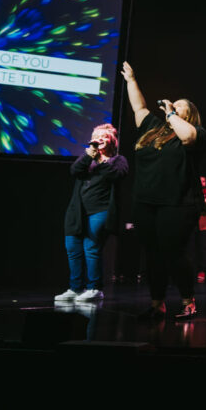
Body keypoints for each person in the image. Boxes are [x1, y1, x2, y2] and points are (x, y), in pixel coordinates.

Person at [121, 61, 206, 321]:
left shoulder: (196, 132)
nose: (174, 105)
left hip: (178, 203)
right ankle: (157, 303)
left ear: (189, 114)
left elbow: (187, 138)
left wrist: (171, 114)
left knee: (174, 252)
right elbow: (139, 107)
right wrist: (131, 80)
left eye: (181, 105)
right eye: (173, 104)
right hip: (146, 202)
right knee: (153, 254)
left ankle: (187, 301)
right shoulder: (153, 129)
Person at [55, 123, 128, 303]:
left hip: (100, 211)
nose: (99, 139)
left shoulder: (117, 160)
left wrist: (102, 159)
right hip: (77, 211)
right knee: (72, 248)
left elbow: (116, 174)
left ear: (112, 140)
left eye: (104, 136)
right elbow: (75, 171)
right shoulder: (88, 158)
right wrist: (89, 156)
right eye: (97, 136)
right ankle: (75, 288)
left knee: (91, 247)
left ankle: (94, 288)